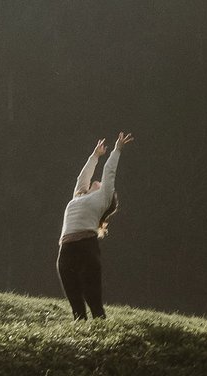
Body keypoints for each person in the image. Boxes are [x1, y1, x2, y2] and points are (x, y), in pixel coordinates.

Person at [56, 131, 132, 321]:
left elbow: (109, 172)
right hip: (66, 248)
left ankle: (101, 329)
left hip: (86, 247)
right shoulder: (79, 196)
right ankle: (80, 327)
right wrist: (95, 156)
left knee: (93, 299)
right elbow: (82, 178)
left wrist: (117, 150)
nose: (95, 181)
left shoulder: (102, 198)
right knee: (74, 299)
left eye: (99, 183)